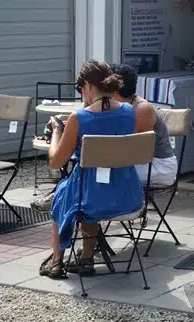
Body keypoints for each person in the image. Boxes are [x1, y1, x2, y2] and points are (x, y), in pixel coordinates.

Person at [39, 60, 145, 279]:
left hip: (92, 199)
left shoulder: (79, 118)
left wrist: (58, 132)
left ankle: (57, 261)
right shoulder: (128, 111)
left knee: (64, 192)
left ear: (86, 85)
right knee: (87, 188)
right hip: (127, 195)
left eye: (80, 89)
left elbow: (55, 162)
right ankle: (86, 258)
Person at [110, 63, 179, 187]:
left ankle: (123, 204)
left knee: (106, 173)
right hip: (138, 161)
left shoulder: (142, 109)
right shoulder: (119, 106)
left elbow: (136, 151)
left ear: (114, 88)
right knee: (97, 169)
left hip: (159, 165)